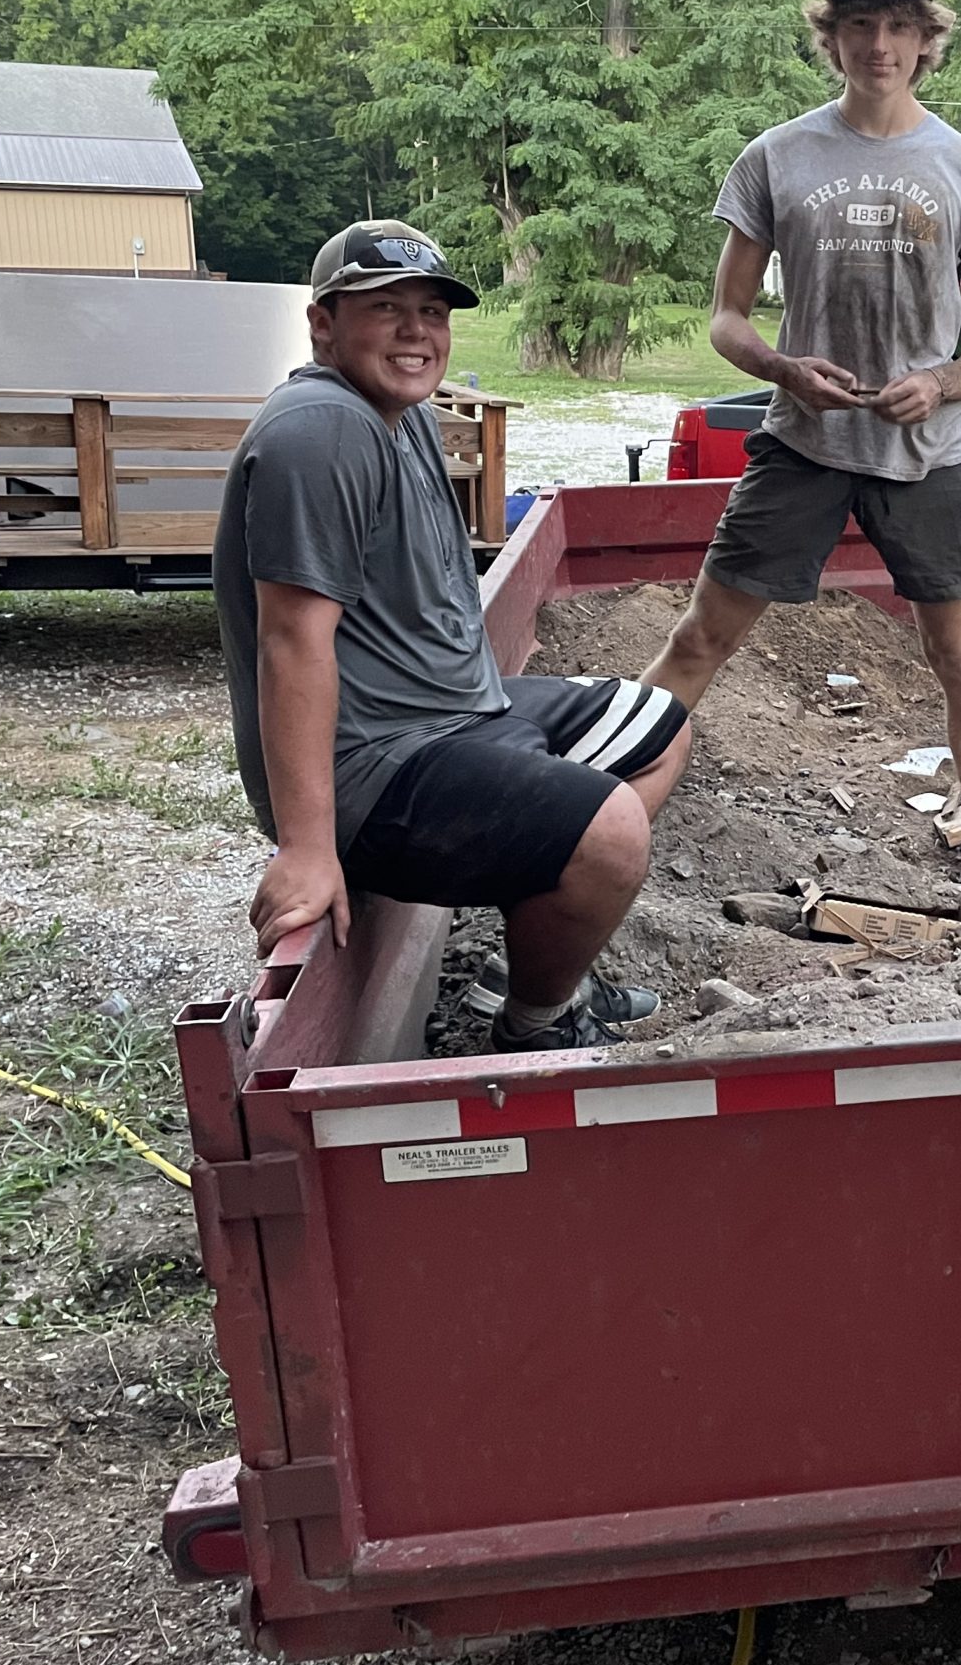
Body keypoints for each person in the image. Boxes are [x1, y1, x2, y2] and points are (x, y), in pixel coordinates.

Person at [214, 220, 691, 1051]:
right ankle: (537, 1021)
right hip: (376, 762)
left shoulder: (405, 420)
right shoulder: (318, 431)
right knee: (611, 832)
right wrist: (305, 847)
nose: (416, 332)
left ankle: (532, 947)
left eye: (432, 312)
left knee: (659, 727)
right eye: (385, 307)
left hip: (457, 713)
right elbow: (291, 642)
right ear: (322, 322)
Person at [642, 0, 961, 879]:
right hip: (803, 442)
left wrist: (937, 383)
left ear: (927, 38)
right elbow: (725, 318)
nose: (879, 44)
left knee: (958, 650)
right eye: (860, 24)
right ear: (833, 36)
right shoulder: (777, 156)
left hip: (927, 452)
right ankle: (592, 795)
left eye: (898, 25)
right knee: (703, 635)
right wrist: (779, 366)